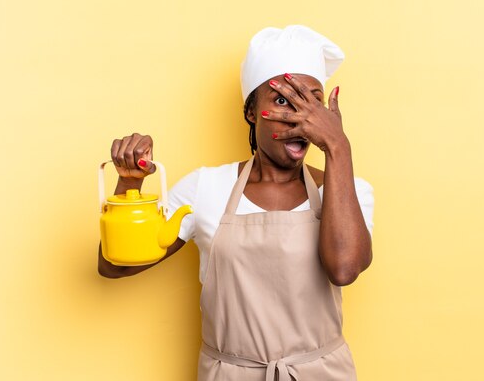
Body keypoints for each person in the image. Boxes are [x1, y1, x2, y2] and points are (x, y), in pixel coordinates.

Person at [98, 25, 374, 381]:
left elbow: (344, 269)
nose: (300, 118)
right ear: (250, 112)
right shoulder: (205, 188)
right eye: (281, 100)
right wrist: (129, 184)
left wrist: (339, 147)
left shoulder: (349, 191)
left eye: (312, 102)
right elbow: (114, 266)